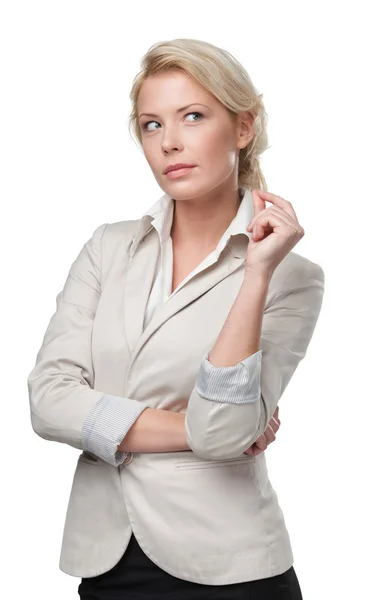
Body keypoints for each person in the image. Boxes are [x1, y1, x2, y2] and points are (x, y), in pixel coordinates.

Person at [27, 38, 325, 599]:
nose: (170, 143)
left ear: (243, 128)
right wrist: (205, 430)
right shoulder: (107, 248)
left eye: (193, 116)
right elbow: (48, 400)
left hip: (232, 568)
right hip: (108, 560)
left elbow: (225, 430)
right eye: (151, 125)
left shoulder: (292, 276)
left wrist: (256, 273)